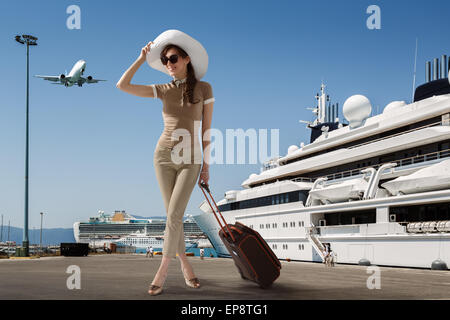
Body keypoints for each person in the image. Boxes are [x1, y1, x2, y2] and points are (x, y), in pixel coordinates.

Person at [117, 30, 214, 296]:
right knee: (175, 218)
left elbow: (206, 130)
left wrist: (206, 166)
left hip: (191, 158)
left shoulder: (204, 89)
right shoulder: (163, 89)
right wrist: (141, 58)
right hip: (162, 156)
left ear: (186, 59)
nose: (168, 64)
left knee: (174, 216)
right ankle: (186, 266)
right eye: (165, 60)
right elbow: (122, 85)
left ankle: (161, 270)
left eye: (172, 58)